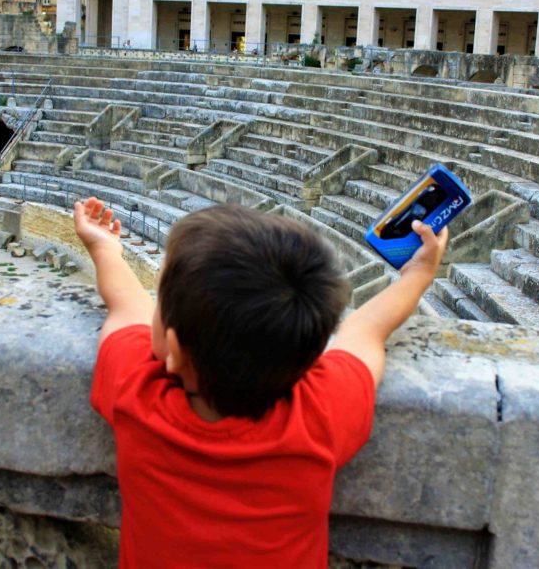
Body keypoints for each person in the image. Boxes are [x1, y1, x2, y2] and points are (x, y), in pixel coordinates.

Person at [73, 197, 449, 568]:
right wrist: (419, 273)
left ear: (173, 348)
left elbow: (125, 308)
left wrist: (105, 248)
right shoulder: (320, 414)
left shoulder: (137, 394)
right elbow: (366, 332)